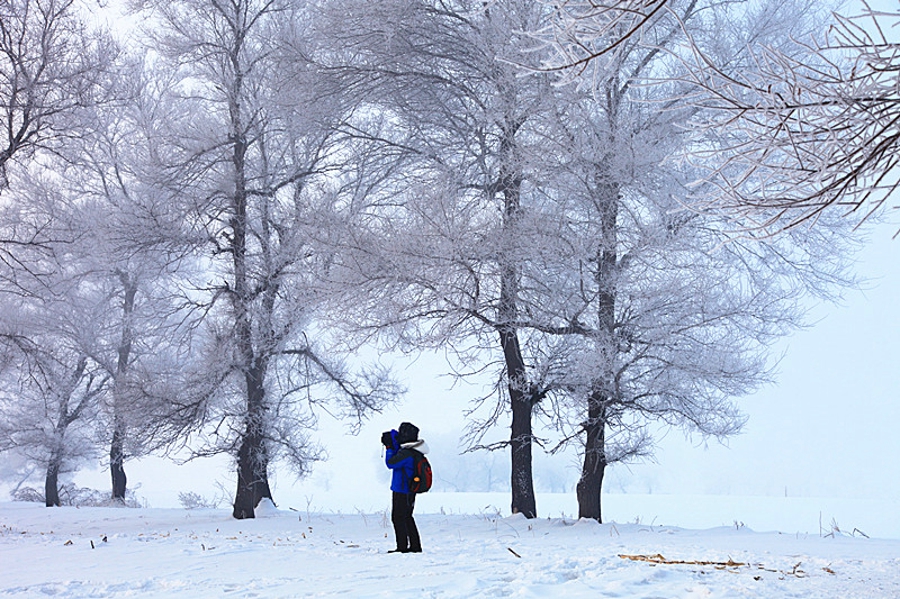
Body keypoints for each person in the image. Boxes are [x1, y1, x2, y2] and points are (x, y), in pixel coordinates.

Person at [382, 421, 428, 553]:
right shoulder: (414, 451)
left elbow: (391, 463)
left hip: (402, 489)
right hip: (410, 490)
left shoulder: (406, 453)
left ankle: (402, 547)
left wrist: (389, 447)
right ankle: (415, 546)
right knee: (407, 516)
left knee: (398, 517)